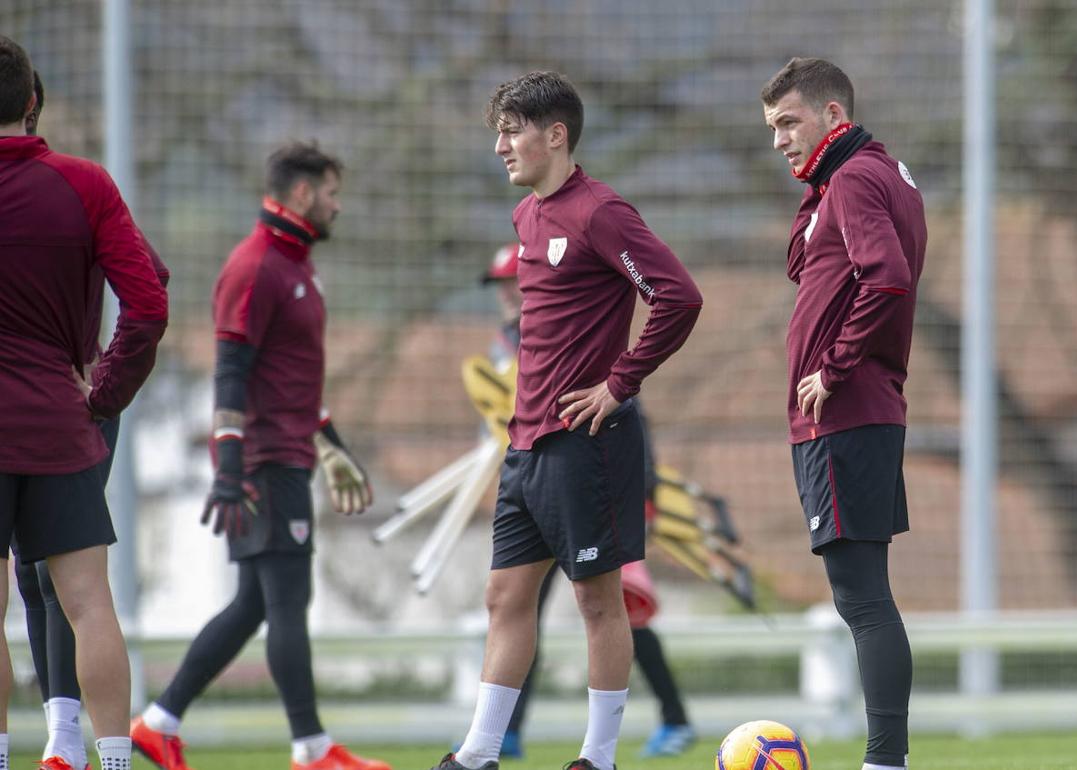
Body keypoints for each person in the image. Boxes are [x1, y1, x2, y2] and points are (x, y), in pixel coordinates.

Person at [430, 71, 702, 770]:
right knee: (504, 596)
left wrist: (619, 384)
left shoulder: (601, 212)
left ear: (556, 135)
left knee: (596, 602)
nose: (500, 146)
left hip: (591, 445)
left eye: (512, 130)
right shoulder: (525, 218)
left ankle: (598, 757)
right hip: (526, 449)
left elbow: (677, 297)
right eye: (497, 132)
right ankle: (481, 752)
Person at [129, 142, 387, 770]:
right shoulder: (256, 266)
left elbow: (289, 380)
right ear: (301, 194)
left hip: (287, 456)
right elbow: (232, 375)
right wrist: (230, 471)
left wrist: (332, 446)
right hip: (267, 465)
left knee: (252, 604)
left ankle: (158, 723)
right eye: (330, 193)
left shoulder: (296, 266)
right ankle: (311, 750)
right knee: (286, 603)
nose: (337, 205)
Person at [0, 35, 170, 770]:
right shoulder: (85, 183)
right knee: (89, 603)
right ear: (33, 101)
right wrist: (103, 395)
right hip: (60, 424)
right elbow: (150, 302)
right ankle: (114, 760)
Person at [761, 57, 926, 770]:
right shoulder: (863, 173)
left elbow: (886, 277)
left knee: (861, 599)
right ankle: (885, 757)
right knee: (864, 595)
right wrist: (816, 188)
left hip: (846, 411)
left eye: (789, 122)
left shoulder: (857, 177)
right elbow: (807, 265)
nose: (779, 140)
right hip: (862, 410)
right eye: (772, 127)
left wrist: (832, 366)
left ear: (834, 116)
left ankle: (884, 759)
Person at [478, 244, 695, 760]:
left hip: (594, 479)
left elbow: (627, 410)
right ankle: (498, 735)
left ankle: (667, 720)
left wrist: (642, 494)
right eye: (500, 285)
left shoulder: (575, 330)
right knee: (516, 602)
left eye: (515, 281)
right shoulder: (503, 347)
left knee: (611, 605)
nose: (509, 293)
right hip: (535, 480)